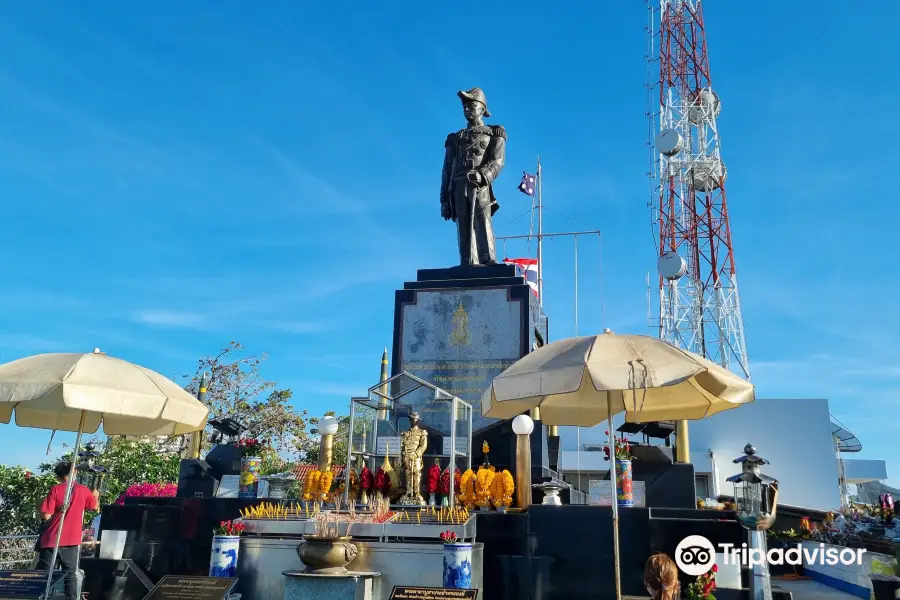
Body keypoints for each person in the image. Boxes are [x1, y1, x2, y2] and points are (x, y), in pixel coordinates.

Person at [440, 87, 507, 266]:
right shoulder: (455, 138)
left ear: (483, 109)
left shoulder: (494, 133)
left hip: (480, 185)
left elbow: (497, 161)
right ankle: (468, 262)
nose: (467, 108)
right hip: (458, 185)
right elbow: (446, 169)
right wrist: (444, 200)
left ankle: (488, 259)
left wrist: (482, 175)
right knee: (463, 225)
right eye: (465, 106)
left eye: (472, 104)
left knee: (482, 219)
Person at [36, 461, 100, 600]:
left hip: (52, 539)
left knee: (44, 575)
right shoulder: (83, 490)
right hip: (72, 540)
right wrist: (96, 495)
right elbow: (95, 507)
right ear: (75, 472)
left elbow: (46, 515)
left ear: (58, 477)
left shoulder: (55, 490)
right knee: (70, 575)